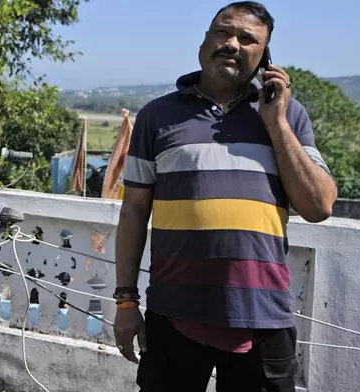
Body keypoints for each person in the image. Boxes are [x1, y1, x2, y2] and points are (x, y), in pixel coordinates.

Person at [113, 2, 338, 391]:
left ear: (264, 56)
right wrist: (126, 303)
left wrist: (277, 123)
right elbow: (133, 212)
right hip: (173, 314)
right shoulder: (157, 116)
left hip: (264, 316)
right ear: (204, 42)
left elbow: (319, 207)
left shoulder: (289, 115)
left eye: (247, 39)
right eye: (223, 32)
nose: (232, 43)